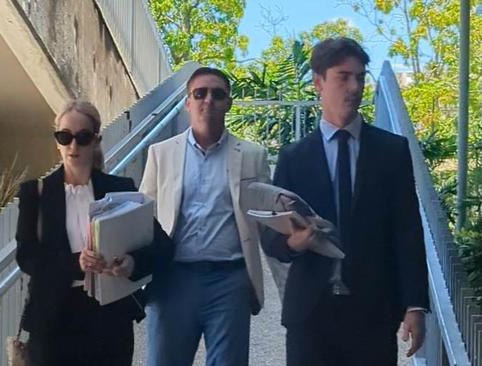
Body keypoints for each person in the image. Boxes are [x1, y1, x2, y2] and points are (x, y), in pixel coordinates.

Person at [263, 37, 429, 366]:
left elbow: (407, 231)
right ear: (319, 83)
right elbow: (272, 237)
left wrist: (415, 305)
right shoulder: (294, 157)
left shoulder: (391, 152)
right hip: (310, 313)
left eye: (360, 77)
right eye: (343, 77)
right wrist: (294, 243)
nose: (354, 87)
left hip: (373, 312)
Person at [15, 100, 173, 366]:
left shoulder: (121, 189)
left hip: (109, 318)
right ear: (57, 141)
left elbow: (162, 246)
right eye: (64, 137)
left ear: (96, 140)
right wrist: (75, 262)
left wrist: (132, 262)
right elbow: (27, 255)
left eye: (83, 137)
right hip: (53, 318)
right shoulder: (36, 193)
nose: (73, 146)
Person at [140, 67, 270, 365]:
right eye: (200, 93)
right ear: (187, 102)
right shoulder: (160, 153)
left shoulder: (253, 155)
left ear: (229, 103)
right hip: (172, 278)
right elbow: (144, 216)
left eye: (218, 94)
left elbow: (266, 217)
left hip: (230, 280)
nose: (208, 100)